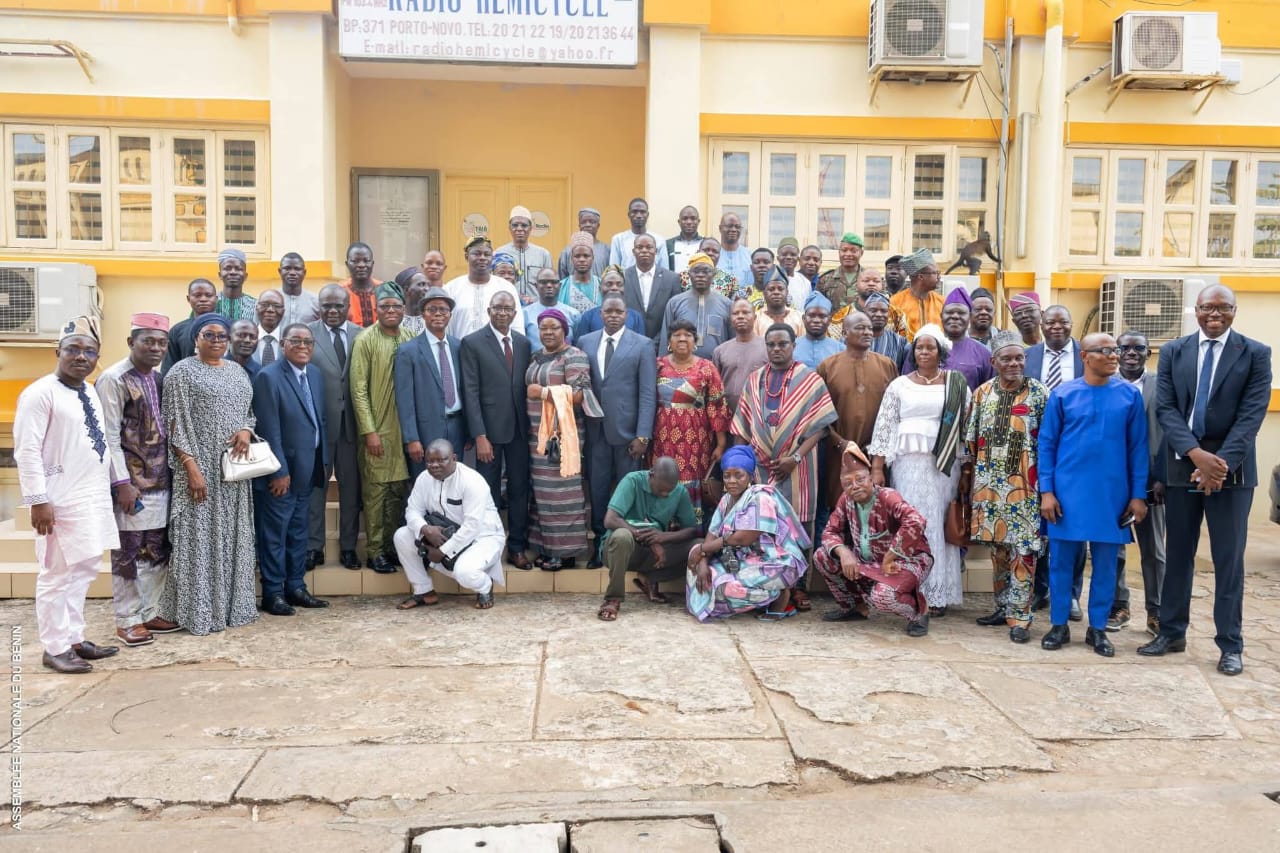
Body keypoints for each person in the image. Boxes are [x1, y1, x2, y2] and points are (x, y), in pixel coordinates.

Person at [1139, 285, 1271, 677]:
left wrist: (1219, 465)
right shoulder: (1174, 351)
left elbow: (1252, 414)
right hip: (1183, 464)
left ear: (1234, 310)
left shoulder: (1255, 353)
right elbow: (1166, 408)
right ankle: (1171, 633)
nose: (1215, 314)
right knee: (1178, 553)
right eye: (1207, 307)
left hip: (1232, 471)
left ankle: (1230, 644)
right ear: (1195, 310)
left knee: (1228, 560)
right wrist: (1196, 455)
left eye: (1223, 307)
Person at [16, 316, 121, 672]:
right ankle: (55, 647)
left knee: (84, 570)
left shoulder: (89, 391)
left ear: (97, 358)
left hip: (91, 497)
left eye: (89, 351)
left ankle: (75, 638)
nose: (81, 356)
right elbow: (27, 451)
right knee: (56, 575)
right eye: (73, 349)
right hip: (58, 500)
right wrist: (37, 500)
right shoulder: (39, 393)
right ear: (57, 352)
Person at [1039, 333, 1148, 658]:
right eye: (1106, 351)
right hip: (1066, 494)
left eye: (1115, 350)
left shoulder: (1129, 396)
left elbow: (1138, 448)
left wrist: (1137, 495)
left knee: (1106, 566)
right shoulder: (1063, 394)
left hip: (1111, 495)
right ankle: (1058, 624)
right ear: (1085, 356)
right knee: (1060, 562)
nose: (1114, 356)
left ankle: (1097, 628)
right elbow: (1047, 444)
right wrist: (1047, 491)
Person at [160, 313, 258, 635]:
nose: (217, 341)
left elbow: (248, 413)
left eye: (222, 336)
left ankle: (231, 608)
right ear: (196, 339)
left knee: (232, 538)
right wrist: (191, 468)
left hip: (232, 474)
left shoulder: (237, 371)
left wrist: (245, 430)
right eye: (209, 335)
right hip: (198, 471)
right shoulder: (181, 372)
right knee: (197, 541)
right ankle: (199, 611)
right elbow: (173, 424)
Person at [732, 324, 837, 614]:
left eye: (783, 344)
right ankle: (766, 586)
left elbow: (821, 427)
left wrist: (796, 457)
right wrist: (742, 462)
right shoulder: (755, 379)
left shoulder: (810, 380)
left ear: (794, 345)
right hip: (760, 466)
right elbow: (743, 424)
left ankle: (799, 586)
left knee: (798, 524)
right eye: (771, 344)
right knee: (763, 524)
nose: (777, 349)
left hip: (798, 467)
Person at [868, 324, 970, 616]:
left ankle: (937, 593)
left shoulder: (956, 384)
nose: (924, 352)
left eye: (930, 347)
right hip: (907, 466)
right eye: (919, 348)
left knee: (937, 524)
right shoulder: (899, 385)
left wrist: (966, 470)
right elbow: (884, 426)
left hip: (944, 466)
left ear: (941, 351)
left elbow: (966, 427)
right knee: (911, 524)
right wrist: (877, 467)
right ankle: (911, 588)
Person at [97, 313, 179, 648]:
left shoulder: (158, 379)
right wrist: (121, 483)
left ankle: (149, 612)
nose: (156, 348)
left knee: (155, 550)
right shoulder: (113, 379)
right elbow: (108, 437)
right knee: (129, 553)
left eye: (161, 342)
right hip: (131, 486)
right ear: (131, 342)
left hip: (161, 481)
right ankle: (127, 620)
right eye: (148, 341)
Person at [966, 332, 1050, 643]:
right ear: (994, 361)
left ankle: (1021, 617)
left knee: (1024, 552)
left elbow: (1050, 441)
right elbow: (971, 441)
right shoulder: (982, 393)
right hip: (990, 487)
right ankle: (1002, 607)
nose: (1014, 363)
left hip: (1026, 488)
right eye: (1007, 358)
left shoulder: (1039, 393)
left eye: (1019, 358)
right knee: (998, 550)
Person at [251, 323, 329, 617]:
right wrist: (278, 471)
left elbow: (316, 420)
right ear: (283, 344)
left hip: (308, 469)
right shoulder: (268, 377)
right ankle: (273, 592)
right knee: (275, 534)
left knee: (299, 532)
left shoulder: (315, 374)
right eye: (296, 341)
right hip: (281, 474)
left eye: (308, 342)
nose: (303, 346)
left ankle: (296, 586)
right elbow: (269, 428)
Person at [814, 443, 932, 637]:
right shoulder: (846, 500)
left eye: (860, 479)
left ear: (871, 478)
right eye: (848, 483)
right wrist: (844, 552)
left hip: (906, 561)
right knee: (822, 556)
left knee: (882, 597)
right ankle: (855, 607)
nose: (855, 486)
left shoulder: (887, 496)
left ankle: (919, 612)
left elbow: (916, 521)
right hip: (870, 563)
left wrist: (890, 556)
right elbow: (829, 532)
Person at [686, 446, 810, 622]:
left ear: (751, 477)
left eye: (738, 475)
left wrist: (702, 550)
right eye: (727, 476)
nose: (732, 481)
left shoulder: (761, 498)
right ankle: (761, 596)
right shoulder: (726, 500)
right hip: (742, 562)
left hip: (773, 563)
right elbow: (711, 537)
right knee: (698, 566)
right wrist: (703, 561)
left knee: (725, 589)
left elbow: (742, 538)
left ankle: (779, 595)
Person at [579, 297, 657, 566]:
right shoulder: (585, 342)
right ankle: (600, 547)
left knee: (628, 492)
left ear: (627, 315)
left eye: (618, 311)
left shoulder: (642, 344)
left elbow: (647, 393)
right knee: (598, 490)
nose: (613, 315)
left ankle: (626, 547)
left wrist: (643, 435)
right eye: (608, 311)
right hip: (595, 431)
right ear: (600, 314)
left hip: (629, 434)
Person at [460, 291, 534, 569]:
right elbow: (470, 392)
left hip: (519, 432)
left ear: (515, 314)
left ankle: (517, 547)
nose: (503, 313)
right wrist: (479, 435)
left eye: (508, 309)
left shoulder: (524, 343)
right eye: (498, 308)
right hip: (488, 434)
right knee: (487, 492)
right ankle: (487, 548)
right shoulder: (472, 342)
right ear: (489, 311)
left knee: (519, 489)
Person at [526, 308, 602, 570]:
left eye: (554, 327)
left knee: (563, 494)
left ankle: (565, 553)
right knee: (543, 494)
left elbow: (581, 395)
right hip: (537, 436)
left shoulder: (574, 356)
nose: (548, 332)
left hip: (562, 437)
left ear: (565, 330)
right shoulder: (536, 356)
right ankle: (547, 548)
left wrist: (543, 392)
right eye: (543, 328)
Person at [393, 440, 507, 611]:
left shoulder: (472, 481)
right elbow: (412, 511)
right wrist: (425, 529)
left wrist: (442, 552)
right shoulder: (424, 478)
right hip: (445, 533)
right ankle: (424, 591)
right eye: (430, 461)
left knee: (465, 573)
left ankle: (485, 585)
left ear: (454, 458)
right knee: (402, 536)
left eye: (441, 460)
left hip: (482, 537)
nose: (434, 465)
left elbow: (472, 527)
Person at [1025, 303, 1085, 616]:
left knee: (1074, 522)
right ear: (1042, 325)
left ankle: (1071, 593)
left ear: (1072, 324)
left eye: (1063, 322)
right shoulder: (1028, 356)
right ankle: (1040, 589)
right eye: (1050, 322)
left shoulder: (1085, 355)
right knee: (1038, 524)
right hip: (1034, 448)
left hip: (1076, 449)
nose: (1057, 327)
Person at [350, 281, 415, 574]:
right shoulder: (365, 340)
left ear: (404, 309)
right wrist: (369, 431)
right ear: (377, 309)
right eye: (385, 306)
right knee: (376, 494)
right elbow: (358, 390)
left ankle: (392, 547)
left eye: (396, 306)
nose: (391, 310)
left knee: (398, 493)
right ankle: (375, 551)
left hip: (405, 432)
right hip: (378, 431)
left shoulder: (410, 338)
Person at [1108, 331, 1166, 635]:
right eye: (1125, 348)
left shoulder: (1163, 385)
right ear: (1116, 352)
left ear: (1148, 353)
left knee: (1153, 550)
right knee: (1114, 547)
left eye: (1138, 348)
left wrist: (1163, 477)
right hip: (1114, 480)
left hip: (1152, 482)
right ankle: (1119, 605)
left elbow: (1171, 432)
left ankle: (1157, 611)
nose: (1131, 353)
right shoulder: (1104, 384)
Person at [597, 459, 700, 622]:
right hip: (621, 550)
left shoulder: (679, 492)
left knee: (699, 547)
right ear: (651, 475)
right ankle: (613, 599)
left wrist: (663, 537)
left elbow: (691, 530)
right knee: (622, 536)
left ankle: (651, 579)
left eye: (669, 491)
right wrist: (649, 540)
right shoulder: (632, 481)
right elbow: (610, 519)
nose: (665, 494)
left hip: (654, 555)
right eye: (661, 489)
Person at [818, 311, 898, 510]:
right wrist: (840, 443)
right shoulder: (828, 367)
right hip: (839, 454)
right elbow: (819, 414)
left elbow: (895, 412)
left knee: (878, 511)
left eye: (869, 328)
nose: (867, 332)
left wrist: (879, 451)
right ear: (845, 333)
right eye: (860, 328)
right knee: (841, 510)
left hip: (876, 455)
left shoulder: (887, 365)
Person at [654, 320, 731, 527]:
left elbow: (717, 405)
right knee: (664, 476)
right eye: (676, 335)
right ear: (669, 341)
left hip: (696, 440)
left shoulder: (706, 367)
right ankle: (664, 530)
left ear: (695, 341)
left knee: (692, 480)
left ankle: (692, 531)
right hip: (662, 438)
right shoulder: (657, 366)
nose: (682, 339)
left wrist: (721, 443)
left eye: (688, 335)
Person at [307, 285, 363, 570]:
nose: (332, 311)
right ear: (319, 307)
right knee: (316, 488)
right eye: (326, 305)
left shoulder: (361, 335)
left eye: (338, 306)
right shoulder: (307, 334)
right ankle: (313, 546)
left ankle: (349, 547)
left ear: (347, 308)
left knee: (351, 489)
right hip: (318, 426)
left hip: (352, 427)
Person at [394, 287, 467, 480]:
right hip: (426, 432)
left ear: (450, 315)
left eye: (443, 309)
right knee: (426, 483)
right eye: (431, 309)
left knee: (455, 482)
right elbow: (405, 400)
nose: (438, 314)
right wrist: (412, 438)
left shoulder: (459, 346)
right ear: (423, 314)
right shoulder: (408, 351)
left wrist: (468, 431)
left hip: (457, 427)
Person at [904, 288, 994, 391]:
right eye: (949, 312)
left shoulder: (983, 354)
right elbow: (906, 386)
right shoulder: (921, 348)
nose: (955, 316)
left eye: (961, 313)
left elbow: (988, 393)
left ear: (970, 317)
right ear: (941, 316)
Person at [446, 237, 525, 339]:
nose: (482, 258)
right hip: (460, 347)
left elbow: (517, 326)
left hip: (496, 348)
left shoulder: (506, 288)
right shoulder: (452, 288)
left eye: (487, 254)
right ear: (466, 256)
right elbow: (446, 327)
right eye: (477, 254)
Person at [660, 252, 733, 360]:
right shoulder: (675, 303)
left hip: (717, 366)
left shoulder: (726, 304)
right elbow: (665, 338)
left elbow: (733, 341)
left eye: (706, 271)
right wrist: (663, 364)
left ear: (713, 274)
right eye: (696, 271)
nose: (700, 275)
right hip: (681, 365)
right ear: (689, 274)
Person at [712, 297, 767, 416]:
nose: (740, 316)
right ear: (730, 319)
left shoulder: (767, 348)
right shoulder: (720, 351)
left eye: (745, 312)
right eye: (736, 313)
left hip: (759, 416)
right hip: (727, 416)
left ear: (755, 317)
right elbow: (715, 389)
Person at [624, 233, 683, 339]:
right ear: (633, 252)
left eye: (649, 247)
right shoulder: (623, 277)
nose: (644, 250)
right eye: (639, 247)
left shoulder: (671, 278)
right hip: (629, 340)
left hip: (661, 341)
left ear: (656, 251)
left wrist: (659, 340)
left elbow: (675, 313)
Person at [496, 205, 553, 305]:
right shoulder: (498, 253)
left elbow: (550, 284)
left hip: (536, 308)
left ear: (530, 228)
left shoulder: (543, 254)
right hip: (506, 307)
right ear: (509, 228)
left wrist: (534, 300)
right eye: (515, 225)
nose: (519, 229)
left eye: (524, 225)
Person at [574, 265, 646, 339]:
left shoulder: (636, 317)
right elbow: (582, 344)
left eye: (619, 284)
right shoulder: (588, 317)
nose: (614, 288)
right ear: (600, 289)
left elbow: (641, 344)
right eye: (609, 284)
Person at [889, 249, 944, 341]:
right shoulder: (895, 303)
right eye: (936, 273)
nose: (939, 277)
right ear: (921, 276)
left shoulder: (942, 302)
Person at [165, 278, 217, 370]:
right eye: (197, 295)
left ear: (216, 299)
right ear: (188, 299)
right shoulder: (177, 331)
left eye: (208, 295)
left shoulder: (228, 328)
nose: (203, 299)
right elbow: (169, 367)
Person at [525, 267, 580, 351]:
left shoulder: (573, 314)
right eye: (543, 282)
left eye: (554, 282)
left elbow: (577, 344)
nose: (549, 285)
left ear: (560, 285)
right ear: (536, 286)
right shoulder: (525, 314)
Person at [609, 197, 668, 270]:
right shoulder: (618, 239)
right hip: (627, 277)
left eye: (642, 212)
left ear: (647, 215)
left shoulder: (659, 240)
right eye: (634, 212)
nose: (639, 215)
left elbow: (664, 269)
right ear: (629, 214)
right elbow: (614, 269)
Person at [816, 232, 864, 314]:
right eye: (844, 250)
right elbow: (818, 308)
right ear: (839, 252)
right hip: (832, 322)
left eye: (853, 251)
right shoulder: (825, 279)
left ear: (861, 253)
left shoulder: (870, 279)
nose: (848, 254)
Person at [793, 290, 842, 371]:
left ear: (829, 320)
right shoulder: (792, 347)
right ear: (804, 319)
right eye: (811, 315)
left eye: (822, 316)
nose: (816, 320)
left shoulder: (840, 349)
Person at [557, 207, 610, 279]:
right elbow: (562, 278)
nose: (587, 224)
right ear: (579, 225)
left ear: (598, 226)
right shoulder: (567, 251)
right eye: (584, 222)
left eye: (592, 222)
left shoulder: (607, 250)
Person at [558, 231, 602, 316]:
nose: (582, 259)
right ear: (571, 258)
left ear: (593, 258)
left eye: (586, 256)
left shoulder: (602, 285)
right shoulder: (562, 287)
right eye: (577, 256)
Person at [753, 266, 804, 336]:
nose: (776, 292)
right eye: (771, 289)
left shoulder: (799, 318)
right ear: (764, 293)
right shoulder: (755, 318)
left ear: (787, 292)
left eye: (780, 289)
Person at [277, 252, 321, 330]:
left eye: (297, 269)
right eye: (287, 268)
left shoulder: (316, 302)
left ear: (304, 272)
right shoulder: (269, 301)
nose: (292, 273)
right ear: (280, 271)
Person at [865, 292, 908, 369]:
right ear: (865, 313)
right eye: (873, 310)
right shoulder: (851, 340)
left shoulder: (900, 342)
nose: (879, 314)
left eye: (883, 311)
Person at [343, 242, 381, 328]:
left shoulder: (384, 290)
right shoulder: (340, 292)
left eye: (366, 261)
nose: (361, 265)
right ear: (347, 264)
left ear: (372, 263)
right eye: (355, 261)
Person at [215, 247, 256, 322]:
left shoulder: (255, 305)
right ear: (220, 275)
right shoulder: (210, 302)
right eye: (227, 268)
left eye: (238, 269)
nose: (233, 272)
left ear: (245, 276)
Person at [714, 211, 752, 285]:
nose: (734, 229)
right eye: (729, 226)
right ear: (720, 228)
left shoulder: (750, 255)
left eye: (737, 227)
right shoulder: (712, 255)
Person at [776, 237, 811, 308]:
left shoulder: (805, 282)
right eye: (784, 254)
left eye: (793, 254)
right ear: (778, 258)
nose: (788, 257)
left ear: (798, 259)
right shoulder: (769, 279)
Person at [666, 205, 703, 273]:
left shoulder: (705, 244)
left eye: (693, 218)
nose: (689, 222)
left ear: (698, 221)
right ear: (679, 222)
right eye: (685, 218)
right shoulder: (668, 245)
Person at [253, 288, 285, 366]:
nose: (270, 310)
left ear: (283, 311)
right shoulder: (245, 338)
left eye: (277, 306)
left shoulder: (289, 339)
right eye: (264, 305)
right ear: (256, 308)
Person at [396, 267, 430, 337]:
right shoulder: (393, 320)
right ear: (406, 289)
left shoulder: (433, 320)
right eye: (421, 284)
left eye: (428, 285)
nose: (427, 288)